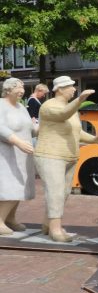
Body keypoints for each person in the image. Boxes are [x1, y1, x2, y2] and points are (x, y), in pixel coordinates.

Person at [34, 76, 98, 242]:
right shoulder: (49, 106)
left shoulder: (71, 108)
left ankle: (47, 224)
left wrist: (94, 139)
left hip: (69, 156)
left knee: (62, 193)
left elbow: (76, 131)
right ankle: (55, 229)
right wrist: (80, 99)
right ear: (60, 89)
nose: (74, 89)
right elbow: (63, 115)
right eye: (71, 86)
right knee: (55, 192)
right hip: (50, 155)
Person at [0, 78, 37, 235]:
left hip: (23, 155)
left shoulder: (21, 107)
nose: (21, 90)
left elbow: (30, 128)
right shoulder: (1, 105)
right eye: (17, 87)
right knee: (10, 187)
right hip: (7, 155)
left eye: (22, 87)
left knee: (20, 186)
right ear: (8, 90)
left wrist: (45, 126)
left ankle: (10, 218)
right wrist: (18, 142)